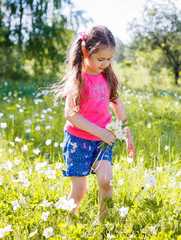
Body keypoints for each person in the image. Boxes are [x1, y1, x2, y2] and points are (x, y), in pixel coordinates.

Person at [50, 26, 135, 223]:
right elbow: (70, 114)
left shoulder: (108, 76)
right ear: (85, 52)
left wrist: (127, 132)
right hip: (78, 141)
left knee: (106, 180)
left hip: (102, 141)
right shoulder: (78, 78)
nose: (105, 63)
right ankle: (69, 223)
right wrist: (100, 131)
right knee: (79, 192)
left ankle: (103, 223)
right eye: (101, 59)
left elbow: (117, 102)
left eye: (109, 59)